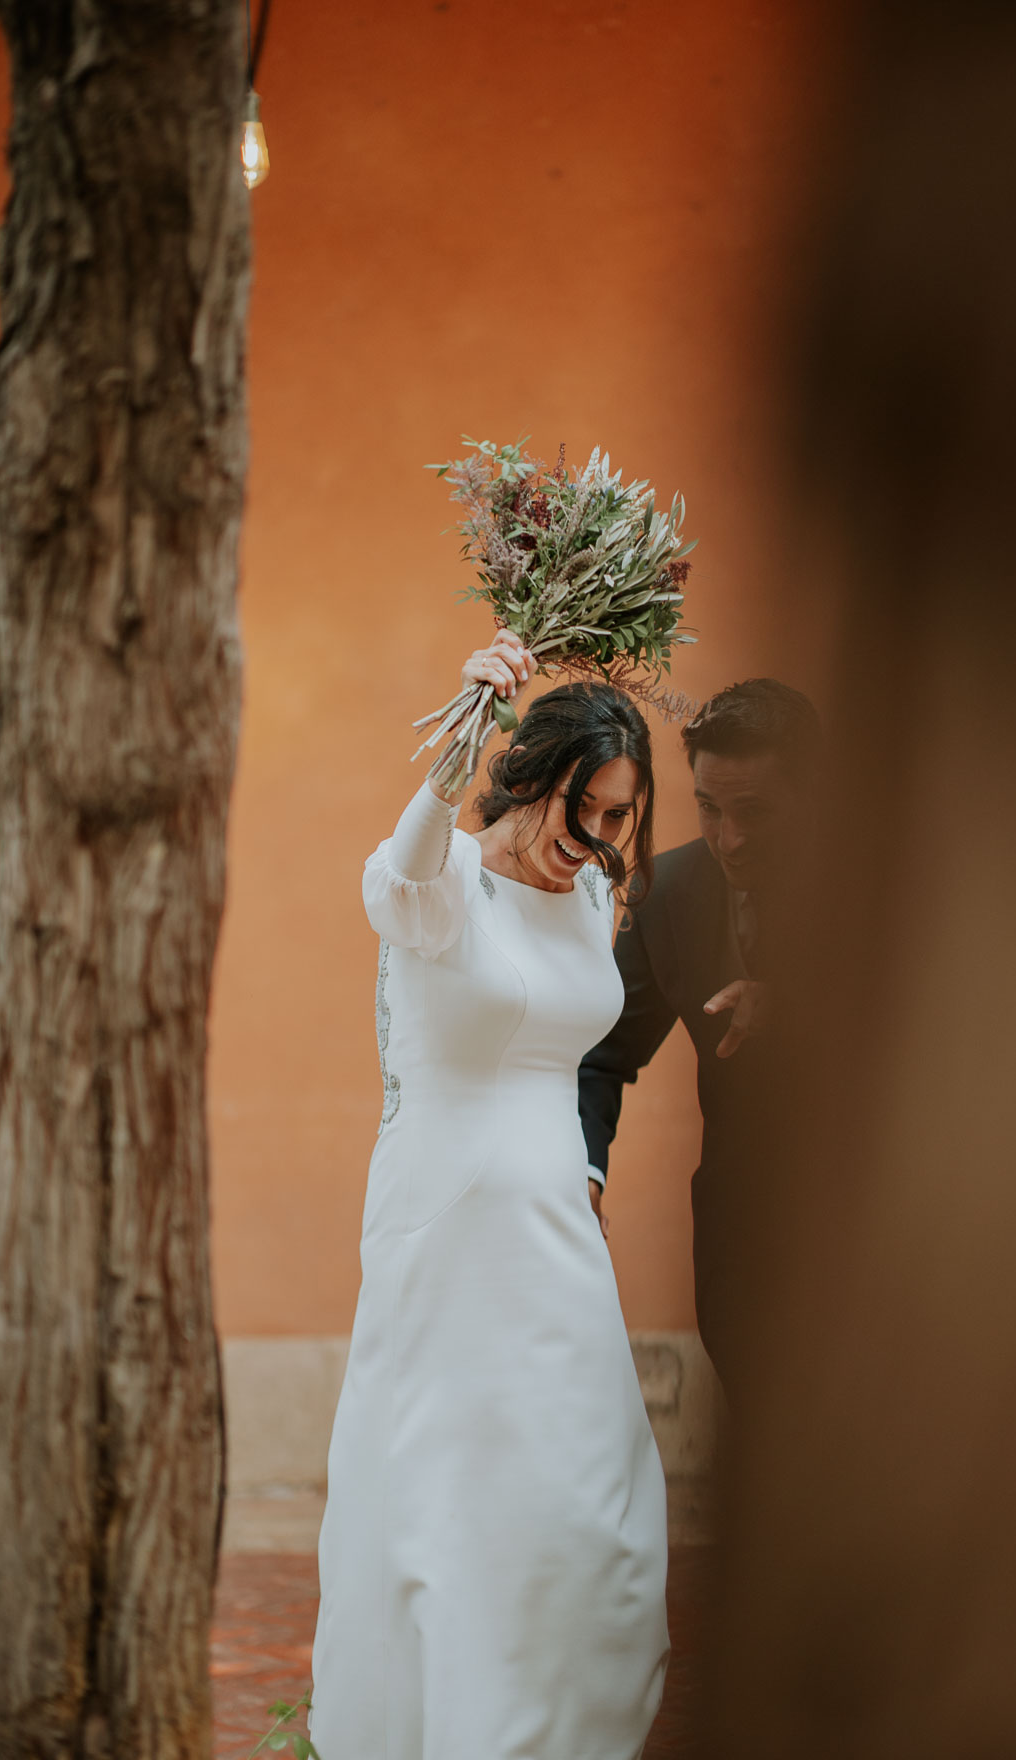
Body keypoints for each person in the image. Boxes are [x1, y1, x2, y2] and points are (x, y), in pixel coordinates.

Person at [311, 629, 670, 1760]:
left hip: (555, 1234)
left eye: (621, 817)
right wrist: (460, 726)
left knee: (590, 1511)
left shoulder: (587, 895)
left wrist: (586, 1169)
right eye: (587, 810)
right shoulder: (442, 884)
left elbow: (579, 1059)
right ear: (530, 778)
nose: (601, 840)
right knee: (450, 1501)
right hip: (448, 1230)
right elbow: (403, 865)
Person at [577, 677, 822, 1382]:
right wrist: (583, 1172)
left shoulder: (895, 881)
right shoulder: (668, 890)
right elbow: (600, 1052)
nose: (729, 838)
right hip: (741, 1236)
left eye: (756, 811)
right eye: (709, 809)